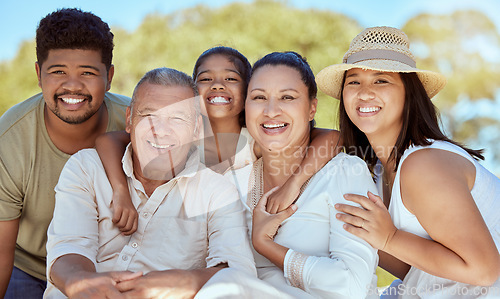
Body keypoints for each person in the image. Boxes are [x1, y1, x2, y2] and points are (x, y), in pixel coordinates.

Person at [316, 26, 500, 297]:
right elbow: (423, 269)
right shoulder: (375, 173)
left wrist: (388, 238)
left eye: (381, 81)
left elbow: (484, 271)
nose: (364, 92)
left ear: (409, 94)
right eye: (353, 81)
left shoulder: (425, 164)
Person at [44, 67, 257, 298]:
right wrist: (83, 283)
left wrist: (180, 281)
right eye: (148, 116)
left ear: (196, 129)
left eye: (176, 118)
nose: (161, 131)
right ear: (129, 120)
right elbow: (67, 250)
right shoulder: (86, 168)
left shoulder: (217, 192)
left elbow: (239, 274)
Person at [95, 46, 339, 233]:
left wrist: (293, 184)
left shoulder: (255, 139)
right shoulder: (181, 136)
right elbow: (108, 141)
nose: (218, 86)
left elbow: (332, 138)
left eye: (231, 79)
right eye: (205, 79)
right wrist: (120, 191)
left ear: (248, 91)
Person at [226, 51, 379, 298]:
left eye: (287, 97)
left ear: (312, 108)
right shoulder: (232, 181)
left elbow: (352, 286)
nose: (271, 110)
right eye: (259, 97)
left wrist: (265, 245)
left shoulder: (344, 172)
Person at [0, 8, 130, 298]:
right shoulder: (10, 140)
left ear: (109, 77)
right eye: (58, 72)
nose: (72, 85)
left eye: (88, 72)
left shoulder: (138, 123)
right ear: (38, 74)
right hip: (29, 267)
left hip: (111, 266)